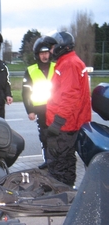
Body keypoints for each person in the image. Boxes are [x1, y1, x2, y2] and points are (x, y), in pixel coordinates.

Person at [44, 31, 91, 187]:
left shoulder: (69, 64)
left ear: (61, 46)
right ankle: (65, 192)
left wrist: (57, 123)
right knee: (65, 160)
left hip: (64, 126)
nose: (51, 51)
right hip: (66, 124)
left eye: (52, 47)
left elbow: (70, 97)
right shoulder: (68, 61)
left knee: (60, 162)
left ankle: (60, 195)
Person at [22, 37, 55, 170]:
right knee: (44, 136)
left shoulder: (56, 67)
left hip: (55, 108)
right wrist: (30, 110)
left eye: (46, 53)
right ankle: (47, 161)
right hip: (40, 109)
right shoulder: (31, 70)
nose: (44, 56)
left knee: (57, 136)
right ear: (37, 55)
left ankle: (55, 161)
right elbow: (25, 93)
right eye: (42, 53)